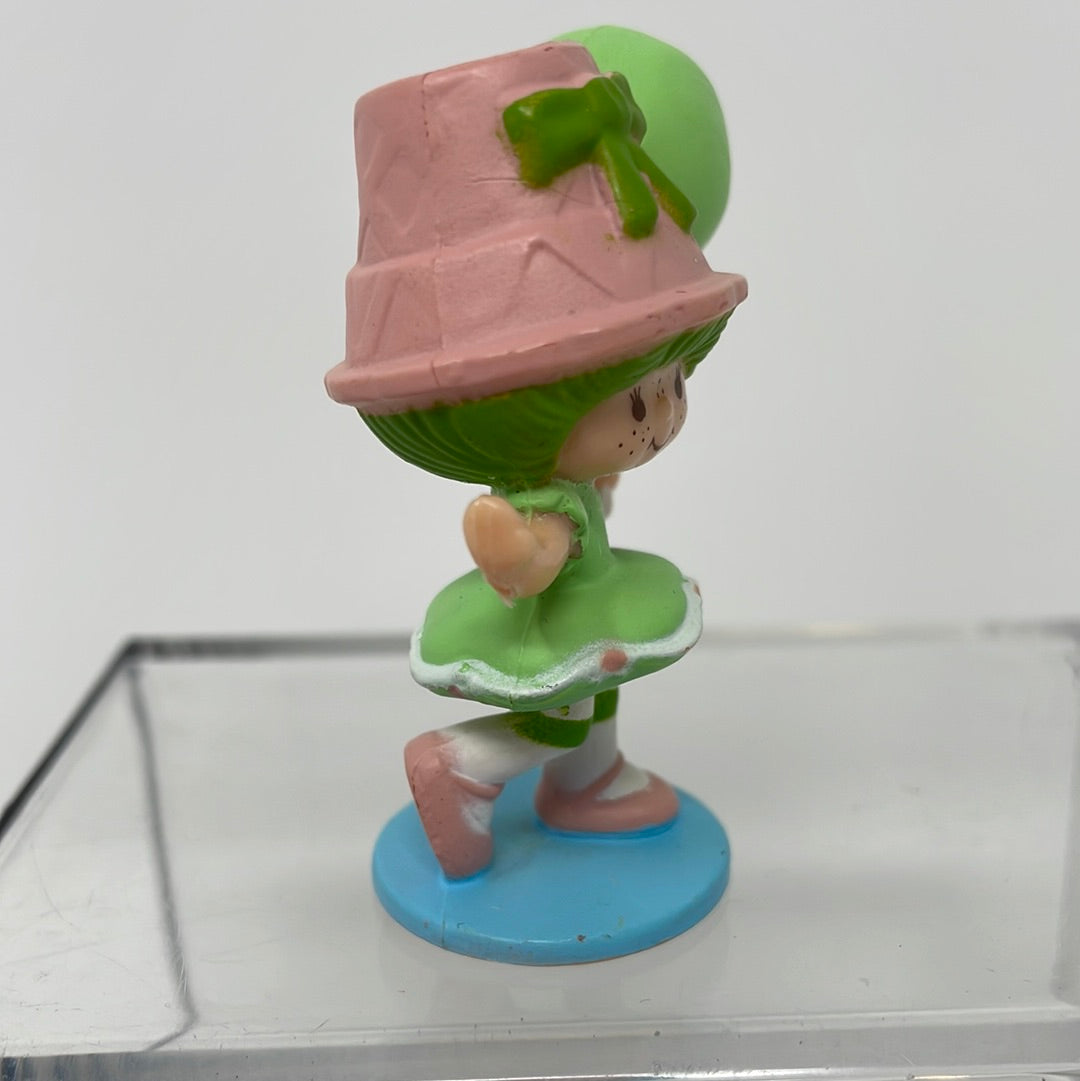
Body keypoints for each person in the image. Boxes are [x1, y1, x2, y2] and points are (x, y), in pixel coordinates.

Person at [326, 32, 747, 880]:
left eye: (673, 382)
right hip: (559, 618)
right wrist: (518, 553)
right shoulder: (546, 498)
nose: (663, 417)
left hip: (596, 604)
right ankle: (465, 764)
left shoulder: (575, 478)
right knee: (559, 714)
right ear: (530, 412)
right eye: (637, 402)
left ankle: (589, 784)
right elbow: (543, 548)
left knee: (599, 689)